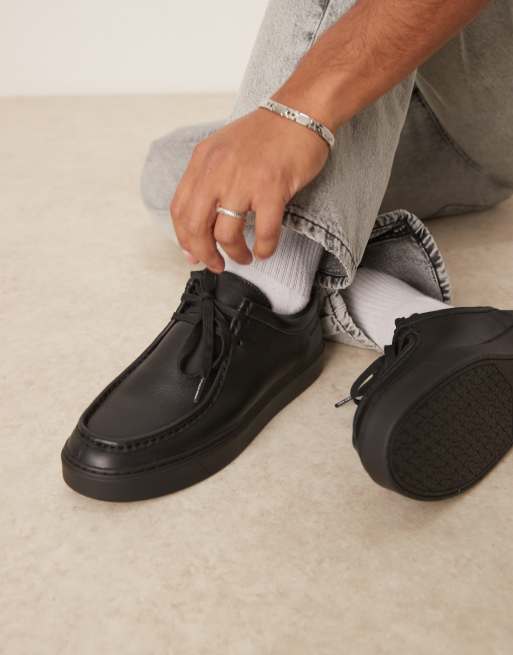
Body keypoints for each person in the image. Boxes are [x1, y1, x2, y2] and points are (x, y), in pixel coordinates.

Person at [61, 0, 513, 502]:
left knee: (244, 186)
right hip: (462, 120)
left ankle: (266, 291)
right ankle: (431, 322)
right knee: (177, 174)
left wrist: (300, 116)